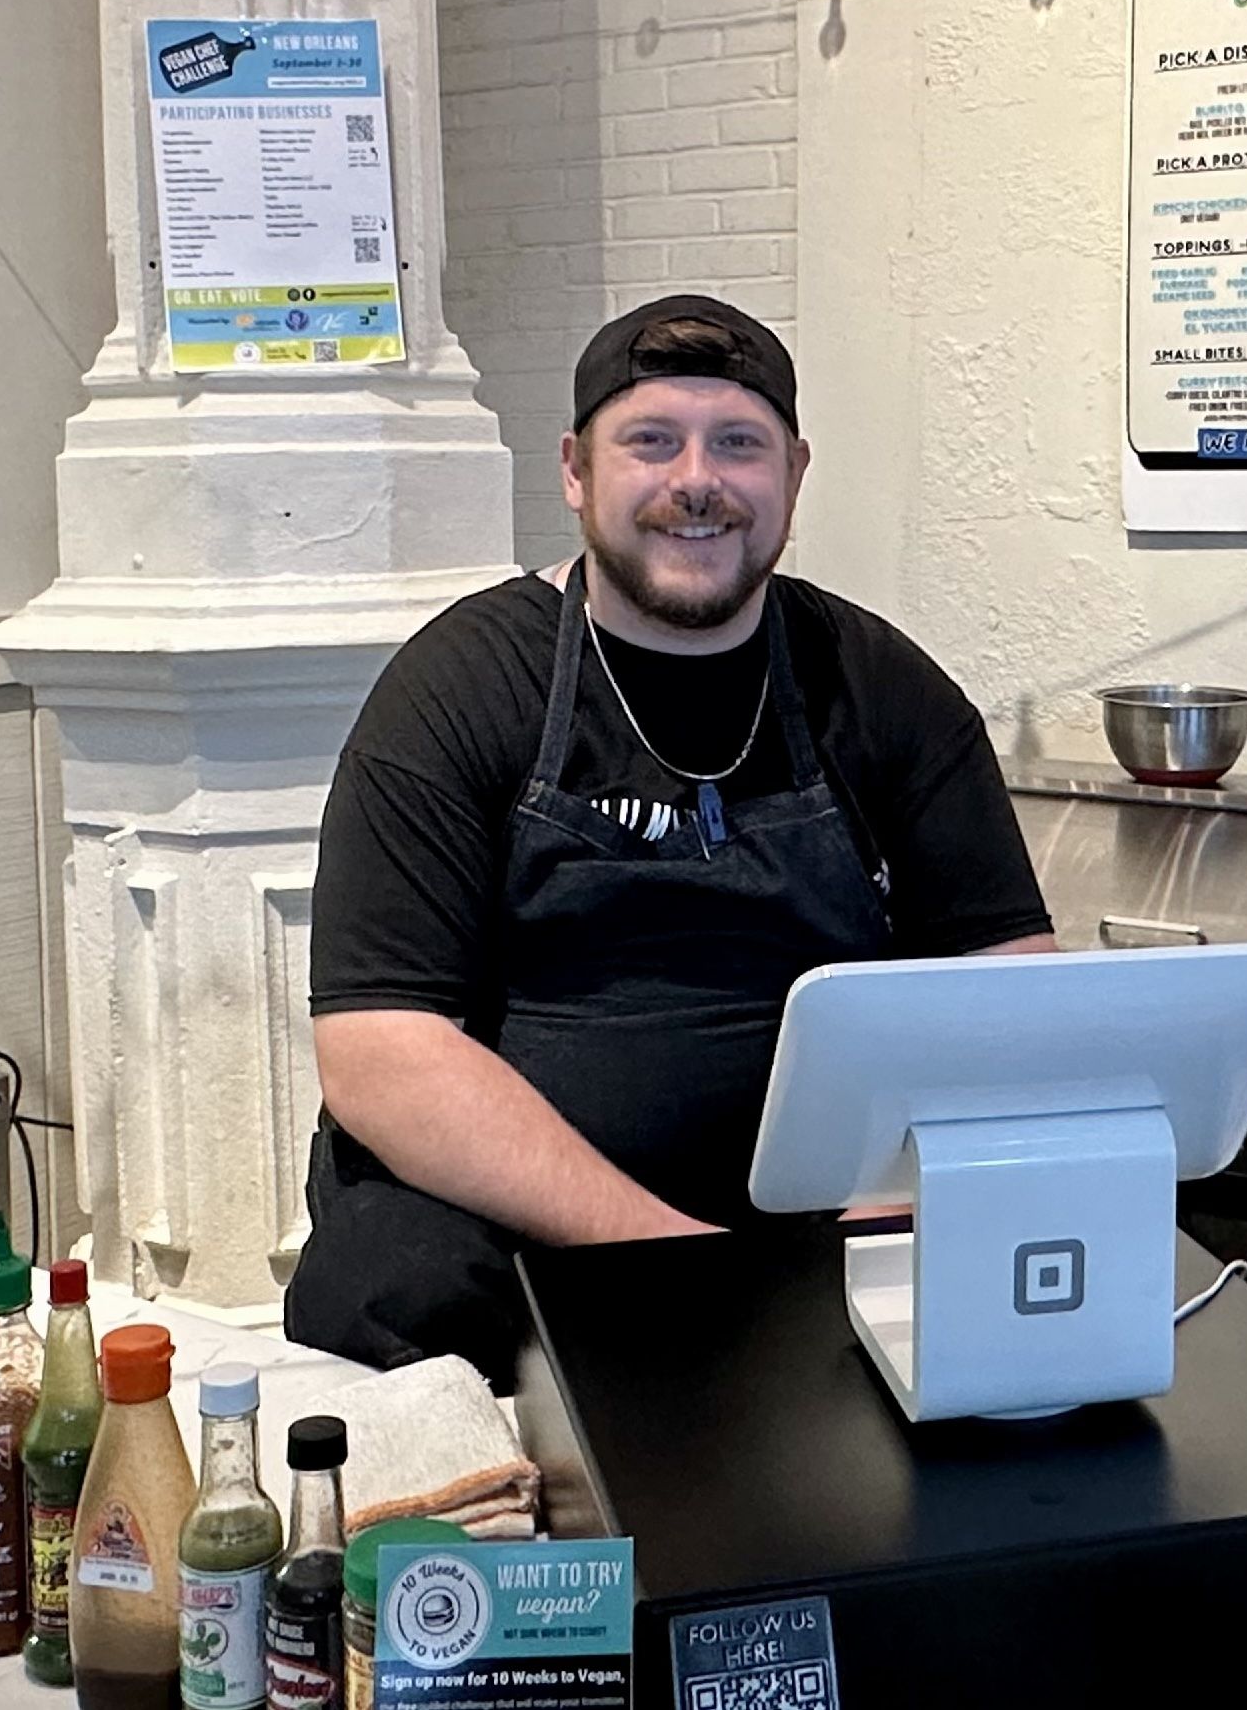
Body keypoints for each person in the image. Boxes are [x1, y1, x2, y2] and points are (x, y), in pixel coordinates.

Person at [286, 295, 1055, 1377]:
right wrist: (674, 1256)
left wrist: (907, 1188)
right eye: (651, 441)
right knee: (385, 1274)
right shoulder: (460, 687)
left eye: (738, 445)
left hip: (814, 1222)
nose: (698, 480)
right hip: (523, 1236)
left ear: (792, 473)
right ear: (575, 471)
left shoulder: (880, 688)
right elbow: (380, 1053)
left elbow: (1012, 989)